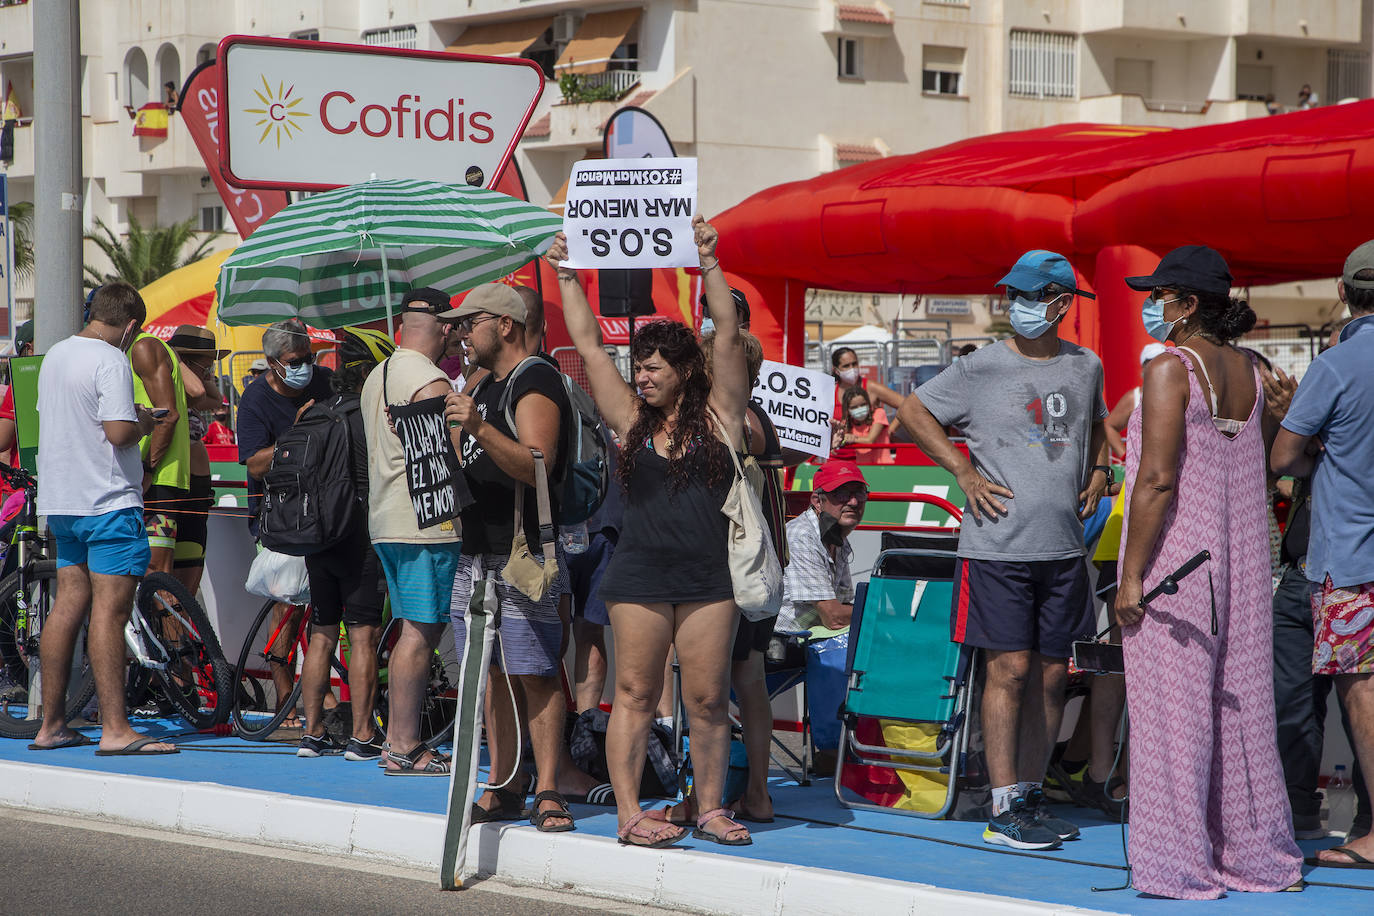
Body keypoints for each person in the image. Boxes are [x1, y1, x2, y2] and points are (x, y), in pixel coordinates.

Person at [546, 216, 753, 849]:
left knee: (710, 699)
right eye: (640, 365)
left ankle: (711, 808)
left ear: (687, 371)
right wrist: (565, 274)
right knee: (634, 694)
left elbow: (729, 336)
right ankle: (631, 814)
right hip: (637, 578)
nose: (643, 375)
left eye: (657, 366)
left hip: (707, 578)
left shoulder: (723, 417)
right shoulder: (630, 418)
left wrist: (710, 262)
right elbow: (583, 343)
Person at [898, 249, 1110, 852]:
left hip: (1064, 550)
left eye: (1029, 295)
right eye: (1012, 294)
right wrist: (962, 472)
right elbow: (914, 410)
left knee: (1049, 678)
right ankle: (1001, 807)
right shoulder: (980, 366)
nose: (1015, 306)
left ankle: (1030, 798)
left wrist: (1100, 470)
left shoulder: (1085, 365)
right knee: (1009, 671)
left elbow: (1096, 427)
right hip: (995, 548)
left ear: (1062, 304)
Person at [1113, 245, 1301, 897]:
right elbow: (1279, 463)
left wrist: (1130, 575)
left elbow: (1157, 480)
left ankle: (1180, 866)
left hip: (1178, 567)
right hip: (1242, 567)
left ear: (1189, 305)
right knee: (1241, 717)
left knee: (1173, 718)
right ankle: (1254, 857)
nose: (1154, 305)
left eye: (1161, 295)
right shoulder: (1257, 368)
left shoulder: (1171, 368)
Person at [442, 283, 579, 831]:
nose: (459, 334)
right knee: (490, 673)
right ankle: (504, 784)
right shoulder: (482, 383)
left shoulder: (536, 378)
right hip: (475, 555)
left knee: (536, 673)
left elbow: (538, 465)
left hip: (521, 553)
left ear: (503, 324)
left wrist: (477, 426)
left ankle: (548, 789)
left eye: (469, 322)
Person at [30, 282, 174, 755]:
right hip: (107, 502)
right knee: (110, 616)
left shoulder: (54, 355)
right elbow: (117, 433)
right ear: (131, 325)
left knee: (67, 604)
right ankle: (116, 729)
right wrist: (145, 422)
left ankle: (50, 724)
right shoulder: (111, 359)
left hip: (63, 501)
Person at [1272, 239, 1374, 868]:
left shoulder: (1336, 364)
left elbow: (1284, 456)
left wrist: (1323, 458)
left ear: (1342, 292)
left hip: (1350, 557)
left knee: (1362, 695)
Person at [361, 288, 463, 776]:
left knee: (410, 630)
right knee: (420, 633)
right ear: (445, 329)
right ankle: (402, 743)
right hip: (428, 523)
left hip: (387, 519)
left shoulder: (377, 375)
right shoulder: (430, 380)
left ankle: (399, 741)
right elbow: (449, 460)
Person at [296, 328, 394, 761]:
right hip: (359, 534)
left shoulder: (314, 411)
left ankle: (312, 733)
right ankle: (361, 736)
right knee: (363, 637)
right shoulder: (370, 413)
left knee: (321, 635)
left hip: (318, 537)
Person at [237, 319, 333, 728]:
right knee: (288, 609)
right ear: (274, 363)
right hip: (279, 517)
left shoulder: (325, 382)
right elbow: (256, 463)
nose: (305, 367)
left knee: (329, 610)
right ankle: (284, 707)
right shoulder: (255, 400)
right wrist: (299, 434)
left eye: (309, 358)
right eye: (296, 361)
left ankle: (322, 696)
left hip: (329, 511)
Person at [167, 325, 226, 596]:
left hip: (196, 489)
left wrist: (204, 373)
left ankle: (183, 634)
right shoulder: (168, 381)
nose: (208, 374)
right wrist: (178, 362)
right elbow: (198, 391)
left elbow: (214, 399)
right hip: (172, 483)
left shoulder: (192, 390)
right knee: (169, 573)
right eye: (205, 367)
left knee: (191, 565)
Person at [129, 321, 190, 576]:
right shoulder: (144, 347)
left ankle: (164, 618)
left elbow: (168, 415)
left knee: (156, 573)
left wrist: (147, 468)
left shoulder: (143, 346)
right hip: (151, 475)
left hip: (155, 476)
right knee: (153, 574)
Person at [777, 460, 865, 634]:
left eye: (860, 493)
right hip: (783, 642)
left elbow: (844, 604)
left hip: (808, 636)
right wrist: (881, 612)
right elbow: (834, 617)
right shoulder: (802, 535)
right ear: (818, 501)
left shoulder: (836, 536)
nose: (854, 501)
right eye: (842, 494)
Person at [1104, 343, 1166, 458]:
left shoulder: (1178, 392)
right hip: (1140, 469)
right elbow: (1109, 426)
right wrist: (1125, 457)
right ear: (1144, 367)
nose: (1157, 367)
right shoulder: (1134, 397)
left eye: (1162, 361)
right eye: (1152, 362)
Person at [838, 385, 893, 465]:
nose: (859, 409)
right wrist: (843, 439)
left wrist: (852, 439)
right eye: (854, 407)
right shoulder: (848, 422)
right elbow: (841, 439)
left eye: (863, 405)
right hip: (863, 467)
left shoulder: (879, 413)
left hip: (883, 466)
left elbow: (870, 440)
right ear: (847, 410)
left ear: (868, 402)